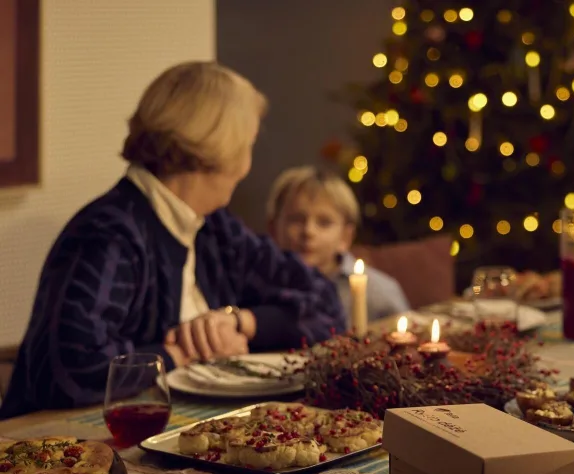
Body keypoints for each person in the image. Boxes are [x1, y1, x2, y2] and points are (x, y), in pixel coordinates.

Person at [0, 62, 344, 419]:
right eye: (248, 145)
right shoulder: (108, 234)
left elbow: (327, 305)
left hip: (185, 429)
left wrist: (240, 322)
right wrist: (182, 351)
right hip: (64, 443)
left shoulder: (216, 229)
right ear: (217, 147)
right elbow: (70, 373)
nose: (247, 165)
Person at [266, 166, 409, 323]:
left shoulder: (379, 292)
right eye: (296, 220)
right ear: (273, 229)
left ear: (345, 237)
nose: (308, 231)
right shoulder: (259, 283)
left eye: (324, 223)